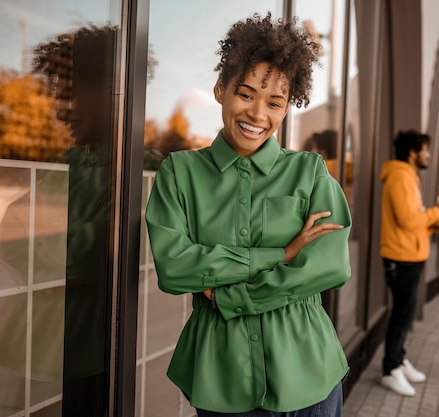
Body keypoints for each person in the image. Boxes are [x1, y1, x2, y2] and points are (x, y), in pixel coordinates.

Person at [145, 13, 352, 416]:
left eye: (274, 102)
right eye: (245, 93)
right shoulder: (180, 173)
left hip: (310, 371)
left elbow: (327, 267)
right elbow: (174, 268)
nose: (258, 113)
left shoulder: (309, 172)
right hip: (223, 379)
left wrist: (228, 295)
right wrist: (282, 254)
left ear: (287, 108)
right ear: (221, 89)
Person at [378, 129, 439, 397]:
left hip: (409, 256)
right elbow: (409, 220)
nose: (428, 155)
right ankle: (390, 369)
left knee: (406, 314)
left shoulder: (408, 177)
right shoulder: (401, 177)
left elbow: (413, 224)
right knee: (402, 315)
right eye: (425, 150)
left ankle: (398, 360)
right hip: (401, 259)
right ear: (413, 152)